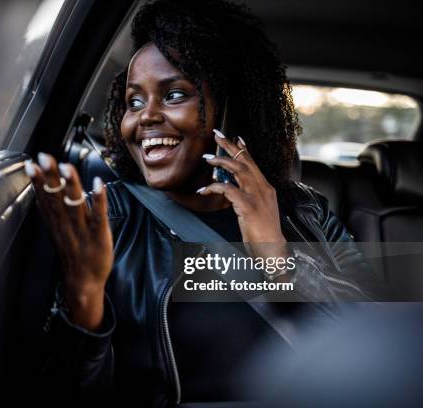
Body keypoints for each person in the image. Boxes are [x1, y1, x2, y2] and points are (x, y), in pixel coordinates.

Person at [24, 0, 369, 406]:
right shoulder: (106, 218)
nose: (146, 117)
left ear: (231, 110)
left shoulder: (306, 211)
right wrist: (83, 300)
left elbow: (380, 349)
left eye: (173, 94)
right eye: (133, 102)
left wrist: (280, 262)